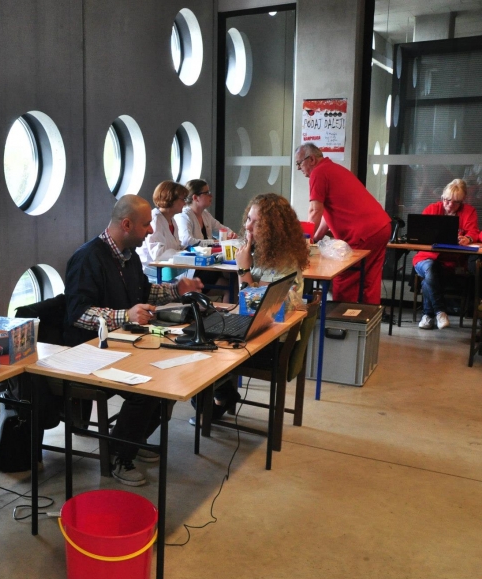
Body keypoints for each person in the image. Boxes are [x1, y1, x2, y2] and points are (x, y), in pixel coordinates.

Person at [64, 195, 202, 486]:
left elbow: (144, 291)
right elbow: (77, 314)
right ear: (126, 225)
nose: (151, 230)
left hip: (122, 347)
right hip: (90, 354)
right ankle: (118, 454)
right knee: (146, 389)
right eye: (145, 225)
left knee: (168, 380)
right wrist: (125, 315)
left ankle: (132, 440)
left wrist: (177, 290)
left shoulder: (129, 257)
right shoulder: (87, 258)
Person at [194, 193, 310, 424]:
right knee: (202, 332)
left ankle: (219, 399)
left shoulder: (284, 262)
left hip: (273, 346)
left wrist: (243, 269)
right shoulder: (267, 255)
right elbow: (251, 299)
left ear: (273, 229)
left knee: (204, 349)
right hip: (263, 334)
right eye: (248, 218)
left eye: (256, 223)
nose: (247, 226)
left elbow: (255, 305)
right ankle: (223, 395)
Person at [295, 143, 390, 304]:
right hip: (381, 227)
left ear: (311, 159)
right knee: (369, 280)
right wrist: (316, 238)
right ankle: (368, 317)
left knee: (344, 276)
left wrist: (304, 242)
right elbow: (327, 215)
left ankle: (340, 318)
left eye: (299, 163)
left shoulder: (318, 172)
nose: (298, 168)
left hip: (363, 233)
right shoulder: (333, 169)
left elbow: (315, 211)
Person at [412, 179, 480, 330]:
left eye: (456, 202)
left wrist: (468, 238)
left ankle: (428, 316)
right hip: (425, 257)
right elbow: (420, 233)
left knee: (428, 277)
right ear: (442, 196)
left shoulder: (469, 211)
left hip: (450, 262)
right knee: (430, 267)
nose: (450, 205)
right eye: (447, 200)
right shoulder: (432, 209)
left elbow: (473, 231)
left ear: (462, 201)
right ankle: (440, 312)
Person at [136, 181, 188, 281]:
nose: (185, 203)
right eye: (182, 199)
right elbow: (158, 254)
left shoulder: (172, 220)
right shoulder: (155, 219)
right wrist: (183, 253)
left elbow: (175, 246)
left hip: (166, 272)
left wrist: (189, 250)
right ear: (171, 198)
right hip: (151, 275)